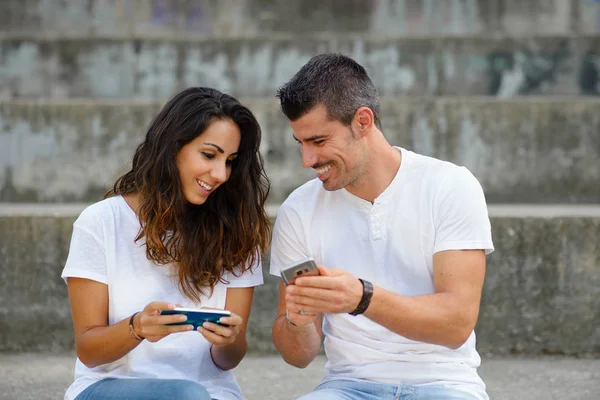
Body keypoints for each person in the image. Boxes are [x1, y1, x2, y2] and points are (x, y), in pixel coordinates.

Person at [270, 54, 494, 400]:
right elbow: (298, 356)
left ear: (363, 121)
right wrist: (298, 322)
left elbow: (456, 324)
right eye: (301, 143)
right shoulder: (298, 210)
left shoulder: (450, 186)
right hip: (346, 387)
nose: (308, 160)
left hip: (445, 385)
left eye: (319, 141)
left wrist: (362, 297)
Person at [61, 87, 271, 400]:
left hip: (211, 392)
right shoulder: (100, 222)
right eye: (209, 155)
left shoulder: (236, 230)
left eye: (230, 161)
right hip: (112, 388)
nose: (220, 174)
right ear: (172, 147)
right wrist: (138, 327)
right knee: (186, 394)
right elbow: (90, 350)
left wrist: (227, 340)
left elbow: (227, 360)